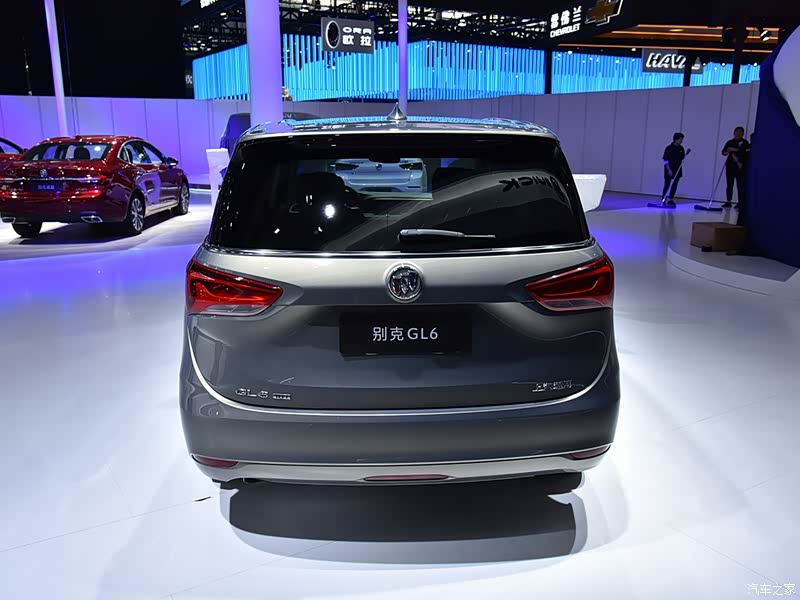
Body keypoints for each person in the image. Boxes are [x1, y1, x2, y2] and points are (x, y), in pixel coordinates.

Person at [721, 126, 750, 209]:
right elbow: (723, 152)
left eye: (740, 132)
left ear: (743, 134)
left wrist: (734, 149)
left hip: (740, 167)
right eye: (736, 132)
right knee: (729, 184)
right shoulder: (730, 142)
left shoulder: (745, 143)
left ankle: (740, 202)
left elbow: (745, 153)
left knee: (740, 185)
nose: (738, 133)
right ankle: (728, 201)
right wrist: (727, 151)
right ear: (734, 133)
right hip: (730, 166)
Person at [662, 132, 686, 206]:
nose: (682, 141)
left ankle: (670, 199)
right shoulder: (669, 148)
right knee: (667, 185)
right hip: (669, 170)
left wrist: (685, 155)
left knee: (674, 185)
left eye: (682, 139)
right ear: (676, 139)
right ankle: (663, 200)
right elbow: (665, 160)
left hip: (677, 170)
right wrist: (669, 170)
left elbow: (682, 157)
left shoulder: (681, 148)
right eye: (681, 139)